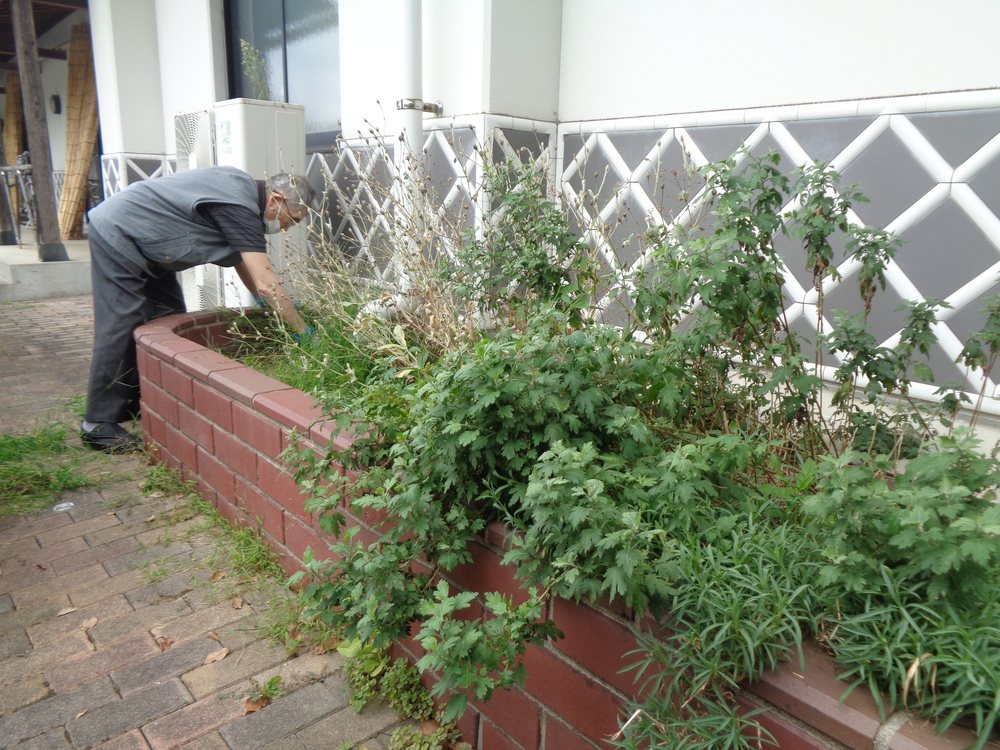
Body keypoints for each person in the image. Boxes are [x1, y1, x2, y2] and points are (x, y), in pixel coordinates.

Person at [81, 166, 316, 453]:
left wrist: (265, 302)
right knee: (122, 320)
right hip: (119, 232)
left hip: (149, 247)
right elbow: (266, 281)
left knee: (167, 316)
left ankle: (135, 400)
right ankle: (97, 423)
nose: (285, 228)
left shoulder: (243, 198)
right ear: (276, 200)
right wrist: (301, 329)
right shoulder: (238, 205)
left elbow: (244, 263)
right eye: (291, 220)